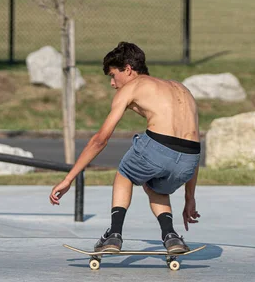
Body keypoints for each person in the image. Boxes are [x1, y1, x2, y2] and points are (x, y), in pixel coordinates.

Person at [49, 42, 201, 254]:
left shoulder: (134, 86)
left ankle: (114, 234)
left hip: (159, 148)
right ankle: (171, 236)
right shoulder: (180, 88)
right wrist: (189, 198)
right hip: (190, 160)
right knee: (154, 186)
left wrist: (68, 179)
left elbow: (100, 140)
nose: (112, 83)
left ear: (128, 69)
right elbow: (192, 143)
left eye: (113, 75)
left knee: (125, 172)